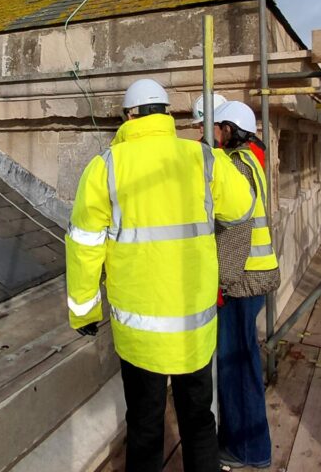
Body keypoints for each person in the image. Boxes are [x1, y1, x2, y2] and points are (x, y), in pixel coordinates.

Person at [66, 78, 255, 472]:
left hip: (140, 332)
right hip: (194, 324)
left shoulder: (105, 167)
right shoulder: (202, 158)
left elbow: (84, 246)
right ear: (168, 114)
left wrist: (85, 312)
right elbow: (241, 209)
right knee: (199, 421)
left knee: (145, 427)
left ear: (129, 116)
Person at [212, 101, 280, 470]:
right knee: (243, 363)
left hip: (241, 280)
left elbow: (236, 234)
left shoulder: (236, 165)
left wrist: (222, 281)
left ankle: (248, 451)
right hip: (257, 275)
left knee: (236, 366)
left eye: (216, 128)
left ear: (229, 129)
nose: (212, 135)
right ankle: (245, 444)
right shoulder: (253, 159)